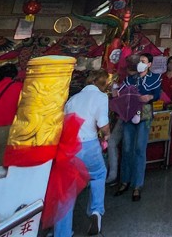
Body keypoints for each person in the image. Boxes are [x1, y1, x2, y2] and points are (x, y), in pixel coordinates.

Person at [55, 70, 111, 237]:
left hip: (68, 147)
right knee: (99, 174)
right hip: (89, 145)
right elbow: (103, 125)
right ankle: (96, 211)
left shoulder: (73, 99)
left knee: (66, 189)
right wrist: (107, 135)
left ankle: (62, 232)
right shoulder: (101, 97)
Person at [113, 53, 162, 201]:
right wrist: (116, 92)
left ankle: (137, 185)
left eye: (143, 61)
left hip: (145, 112)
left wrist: (150, 97)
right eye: (139, 61)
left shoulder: (155, 78)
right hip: (130, 112)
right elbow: (121, 92)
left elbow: (157, 94)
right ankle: (125, 180)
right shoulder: (130, 79)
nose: (140, 63)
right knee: (127, 148)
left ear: (149, 65)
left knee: (140, 148)